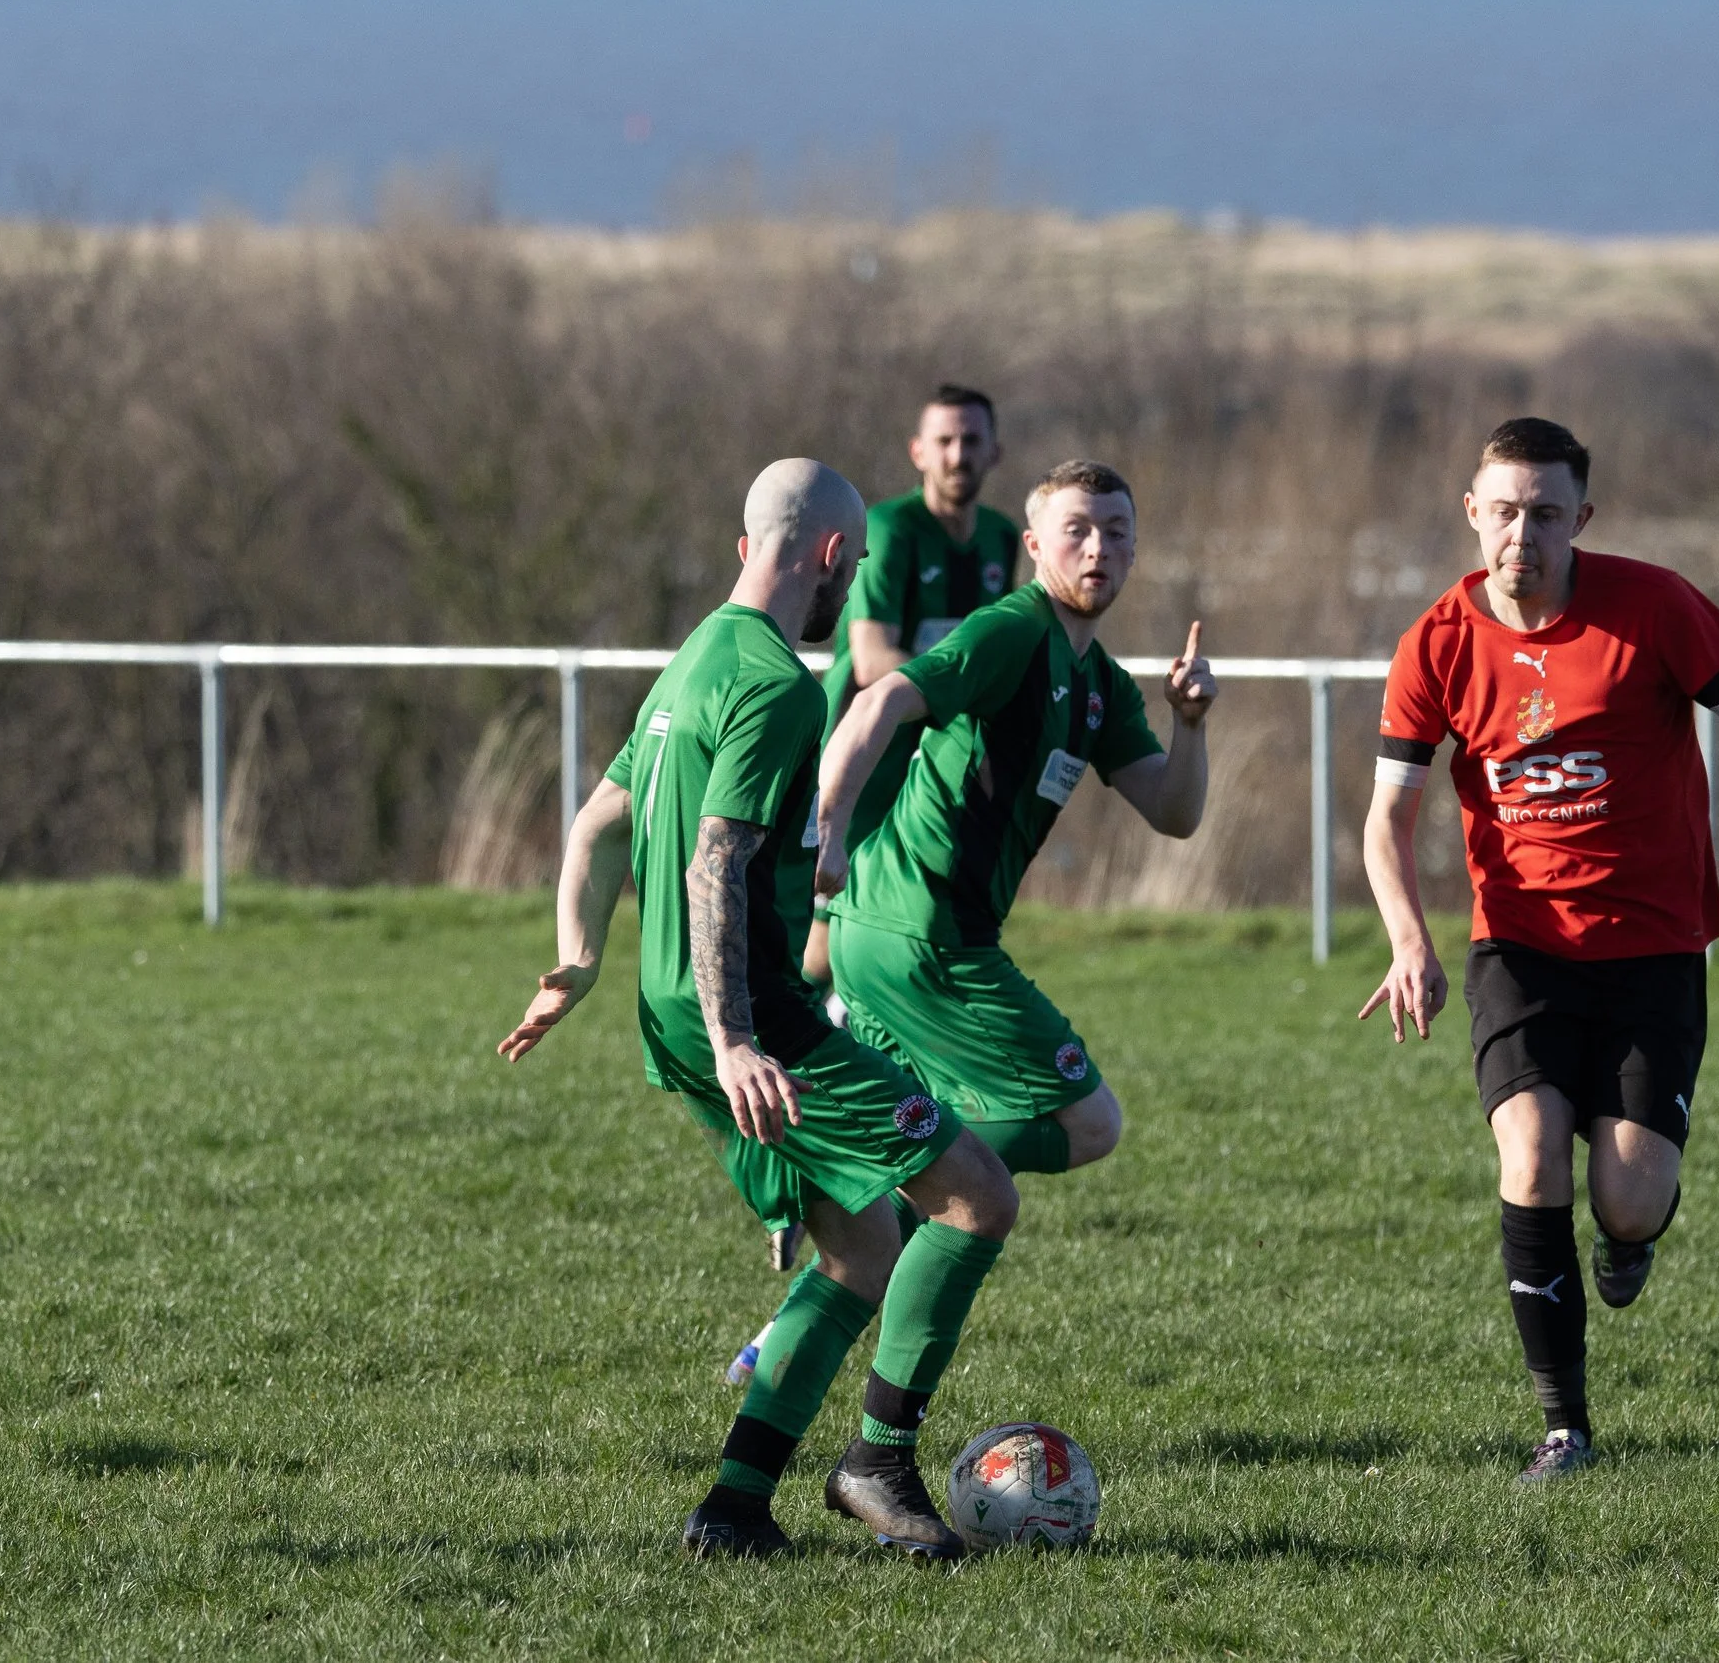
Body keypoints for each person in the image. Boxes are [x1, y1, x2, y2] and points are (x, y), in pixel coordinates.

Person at [1358, 418, 1719, 1483]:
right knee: (1526, 1155)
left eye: (1546, 512)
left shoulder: (1655, 606)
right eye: (1504, 510)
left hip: (1654, 950)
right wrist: (1406, 939)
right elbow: (1385, 820)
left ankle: (1633, 1228)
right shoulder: (1434, 641)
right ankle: (1564, 1427)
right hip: (1517, 948)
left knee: (1626, 1195)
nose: (1523, 533)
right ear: (1471, 512)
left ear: (1582, 518)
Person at [498, 459, 1019, 1562]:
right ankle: (877, 1463)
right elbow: (714, 860)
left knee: (862, 1246)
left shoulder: (693, 659)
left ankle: (733, 1508)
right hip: (749, 1015)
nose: (855, 579)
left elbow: (597, 826)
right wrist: (740, 1036)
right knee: (975, 1197)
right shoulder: (782, 686)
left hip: (668, 1011)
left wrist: (576, 961)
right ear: (831, 557)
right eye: (855, 563)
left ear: (747, 547)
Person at [718, 459, 1213, 1380]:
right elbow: (881, 700)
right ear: (1033, 547)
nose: (1098, 546)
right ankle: (877, 1219)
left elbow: (1174, 811)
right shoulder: (1012, 631)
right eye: (1076, 529)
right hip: (921, 938)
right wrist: (829, 826)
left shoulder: (1096, 678)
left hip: (904, 936)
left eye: (1116, 529)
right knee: (1088, 1123)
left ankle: (784, 1330)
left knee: (936, 1146)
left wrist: (1191, 725)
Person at [804, 383, 1017, 992]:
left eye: (971, 440)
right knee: (825, 936)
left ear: (994, 452)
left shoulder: (1001, 538)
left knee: (925, 923)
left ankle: (888, 1061)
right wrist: (968, 700)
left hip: (943, 760)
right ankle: (771, 1054)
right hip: (867, 751)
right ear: (918, 451)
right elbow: (870, 657)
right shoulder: (893, 529)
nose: (958, 455)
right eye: (944, 441)